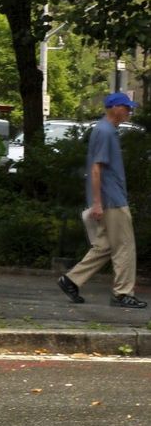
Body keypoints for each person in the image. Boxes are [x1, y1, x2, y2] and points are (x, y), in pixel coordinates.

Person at [58, 93, 146, 309]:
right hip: (112, 200)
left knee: (106, 245)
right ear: (114, 107)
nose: (129, 111)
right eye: (126, 107)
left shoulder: (106, 130)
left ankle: (71, 280)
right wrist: (98, 203)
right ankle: (123, 293)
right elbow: (96, 169)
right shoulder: (106, 132)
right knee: (125, 246)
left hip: (109, 198)